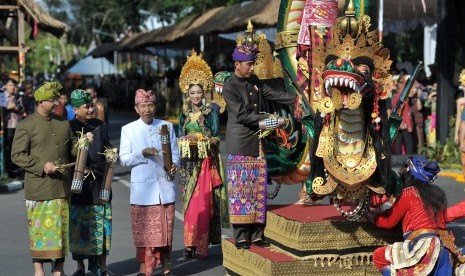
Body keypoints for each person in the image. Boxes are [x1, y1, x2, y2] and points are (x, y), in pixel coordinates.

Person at [222, 42, 295, 250]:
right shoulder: (230, 86)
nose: (253, 68)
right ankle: (241, 236)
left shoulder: (253, 80)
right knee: (240, 192)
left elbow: (273, 94)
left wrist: (299, 100)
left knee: (257, 190)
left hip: (258, 145)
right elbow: (244, 116)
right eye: (249, 64)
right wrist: (274, 121)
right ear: (237, 64)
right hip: (240, 145)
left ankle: (257, 235)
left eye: (253, 64)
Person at [11, 82, 78, 276]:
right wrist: (42, 165)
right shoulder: (26, 125)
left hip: (62, 188)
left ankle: (59, 269)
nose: (56, 102)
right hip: (39, 189)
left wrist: (82, 144)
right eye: (51, 100)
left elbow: (72, 149)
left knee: (60, 233)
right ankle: (38, 269)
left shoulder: (63, 122)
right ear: (40, 102)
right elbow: (17, 155)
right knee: (40, 233)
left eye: (56, 99)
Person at [119, 89, 179, 276]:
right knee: (144, 234)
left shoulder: (167, 126)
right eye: (143, 106)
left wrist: (174, 165)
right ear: (136, 109)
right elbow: (124, 159)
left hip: (164, 189)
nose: (147, 109)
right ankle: (144, 267)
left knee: (165, 231)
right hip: (143, 191)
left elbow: (175, 153)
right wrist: (142, 153)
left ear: (155, 106)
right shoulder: (128, 129)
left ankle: (166, 264)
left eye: (150, 105)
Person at [369, 156, 460, 275]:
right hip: (442, 249)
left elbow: (388, 221)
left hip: (423, 246)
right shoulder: (436, 195)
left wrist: (372, 217)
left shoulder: (409, 193)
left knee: (379, 256)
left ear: (409, 176)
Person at [177, 50, 228, 259]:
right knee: (189, 204)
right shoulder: (183, 113)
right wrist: (185, 140)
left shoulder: (211, 112)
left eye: (199, 92)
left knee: (204, 203)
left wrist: (205, 139)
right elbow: (180, 134)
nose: (196, 96)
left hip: (206, 162)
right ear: (187, 94)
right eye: (192, 93)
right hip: (189, 163)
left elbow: (217, 137)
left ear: (204, 92)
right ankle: (189, 244)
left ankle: (202, 243)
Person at [68, 90, 117, 276]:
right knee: (78, 228)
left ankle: (103, 267)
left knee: (103, 227)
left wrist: (112, 153)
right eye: (86, 107)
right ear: (75, 109)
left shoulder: (100, 125)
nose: (90, 109)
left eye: (91, 106)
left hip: (99, 185)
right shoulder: (69, 127)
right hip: (79, 186)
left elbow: (107, 147)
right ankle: (80, 268)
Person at [3, 78, 23, 177]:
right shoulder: (3, 96)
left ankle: (15, 168)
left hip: (17, 125)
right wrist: (11, 106)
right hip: (7, 126)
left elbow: (21, 108)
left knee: (16, 148)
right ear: (5, 86)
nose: (12, 87)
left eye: (13, 85)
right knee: (8, 147)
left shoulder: (17, 96)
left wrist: (12, 106)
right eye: (10, 85)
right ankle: (8, 168)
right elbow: (5, 106)